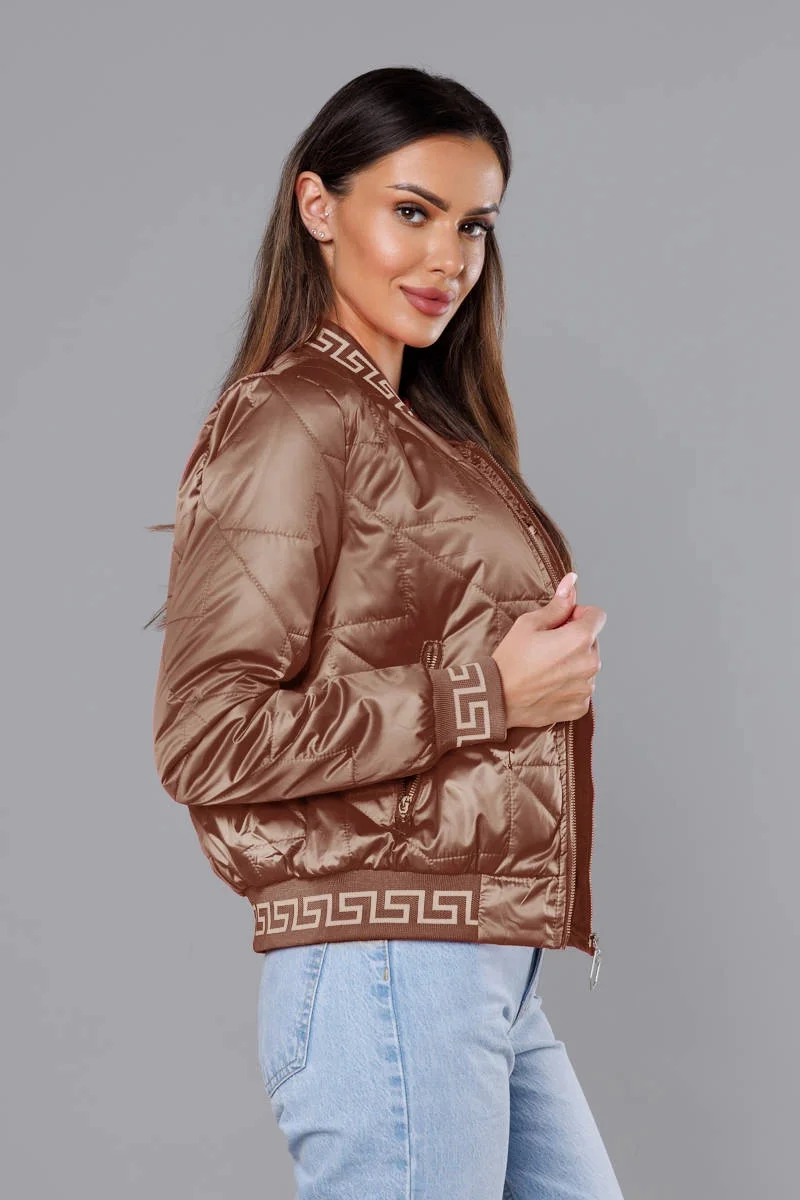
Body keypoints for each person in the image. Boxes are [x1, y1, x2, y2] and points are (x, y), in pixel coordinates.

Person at [150, 65, 623, 1200]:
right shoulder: (294, 418)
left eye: (473, 225)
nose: (447, 258)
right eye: (412, 212)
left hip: (478, 969)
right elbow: (206, 738)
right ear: (319, 207)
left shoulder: (419, 426)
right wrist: (488, 693)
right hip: (388, 966)